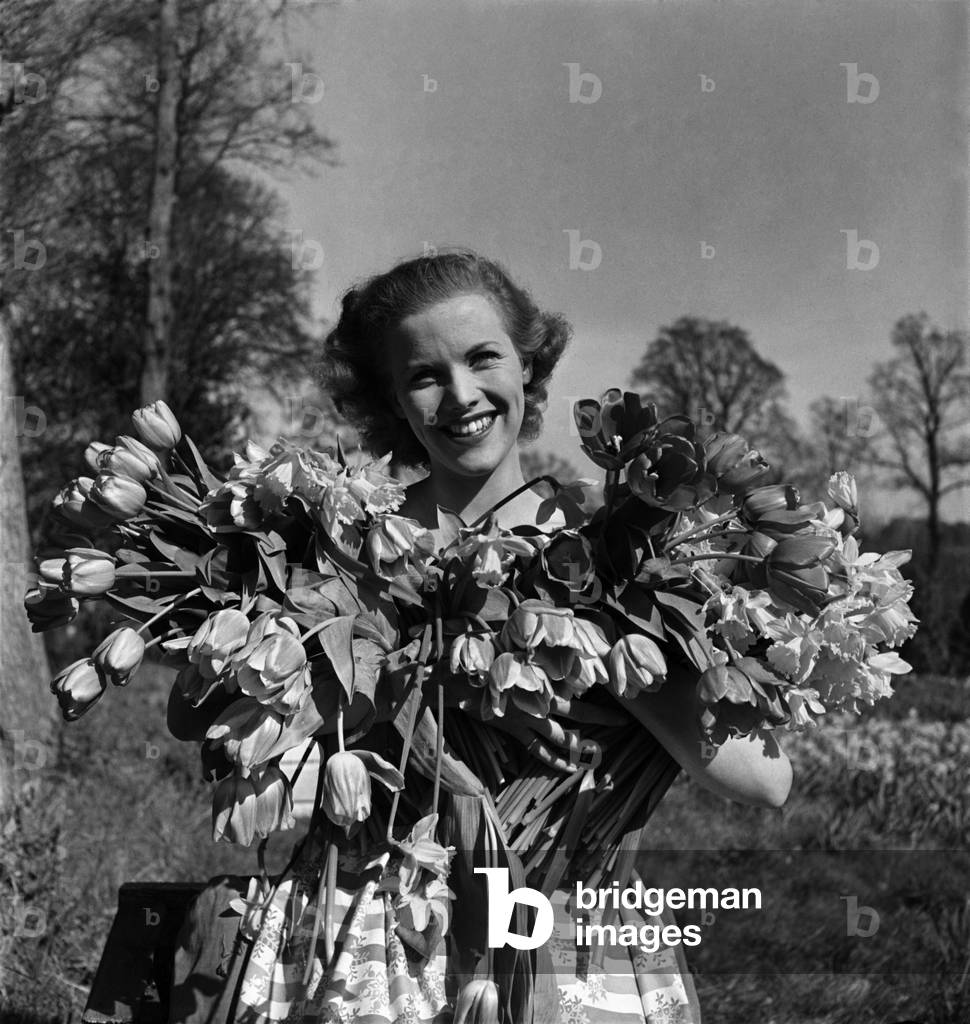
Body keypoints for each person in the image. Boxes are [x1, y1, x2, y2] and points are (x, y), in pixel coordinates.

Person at [169, 249, 791, 1024]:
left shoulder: (626, 545)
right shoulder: (348, 539)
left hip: (565, 933)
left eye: (483, 357)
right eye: (424, 375)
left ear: (528, 364)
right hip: (379, 926)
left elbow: (766, 781)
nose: (461, 394)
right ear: (391, 399)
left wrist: (592, 646)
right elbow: (208, 723)